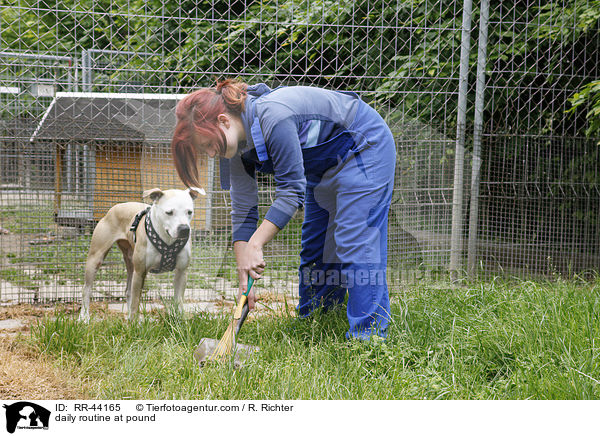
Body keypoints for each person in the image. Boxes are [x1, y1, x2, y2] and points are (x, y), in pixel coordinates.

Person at [171, 80, 396, 340]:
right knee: (317, 245)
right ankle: (316, 322)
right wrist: (244, 270)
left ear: (223, 121)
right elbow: (243, 208)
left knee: (355, 240)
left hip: (364, 147)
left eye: (208, 144)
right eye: (204, 150)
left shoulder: (274, 116)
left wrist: (255, 244)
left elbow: (292, 192)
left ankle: (369, 340)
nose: (211, 153)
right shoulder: (233, 148)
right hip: (323, 167)